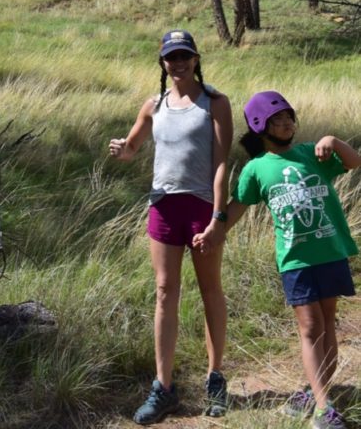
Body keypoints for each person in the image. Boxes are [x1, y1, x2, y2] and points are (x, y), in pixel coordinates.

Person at [193, 90, 361, 429]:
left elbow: (354, 161)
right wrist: (214, 230)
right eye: (277, 120)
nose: (287, 124)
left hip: (330, 252)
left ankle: (317, 396)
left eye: (289, 117)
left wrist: (332, 139)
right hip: (295, 259)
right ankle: (322, 408)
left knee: (329, 324)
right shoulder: (257, 169)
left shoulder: (311, 153)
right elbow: (237, 207)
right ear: (259, 126)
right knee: (310, 327)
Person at [109, 29, 233, 424]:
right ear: (162, 62)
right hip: (163, 206)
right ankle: (163, 388)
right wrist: (122, 150)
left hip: (201, 206)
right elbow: (132, 150)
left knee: (210, 289)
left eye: (184, 56)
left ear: (196, 59)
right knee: (165, 291)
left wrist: (217, 218)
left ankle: (215, 380)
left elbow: (221, 163)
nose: (177, 63)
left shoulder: (215, 103)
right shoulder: (154, 105)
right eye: (170, 57)